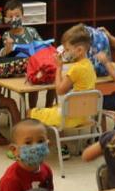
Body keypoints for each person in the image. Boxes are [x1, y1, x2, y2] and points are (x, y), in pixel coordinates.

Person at [29, 24, 97, 158]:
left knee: (30, 112)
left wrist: (58, 68)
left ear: (79, 50)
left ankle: (35, 150)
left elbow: (59, 90)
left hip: (71, 116)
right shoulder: (89, 65)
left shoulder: (75, 69)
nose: (64, 52)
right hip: (85, 114)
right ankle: (63, 147)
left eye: (67, 49)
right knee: (57, 107)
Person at [0, 0, 52, 109]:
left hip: (36, 66)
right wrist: (8, 47)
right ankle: (31, 110)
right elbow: (5, 56)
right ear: (5, 19)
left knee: (52, 79)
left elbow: (42, 47)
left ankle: (49, 108)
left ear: (23, 16)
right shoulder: (6, 35)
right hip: (19, 69)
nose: (14, 19)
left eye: (17, 15)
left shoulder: (31, 31)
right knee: (32, 84)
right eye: (10, 16)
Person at [0, 119, 53, 191]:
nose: (36, 147)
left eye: (40, 141)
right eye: (28, 143)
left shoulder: (46, 170)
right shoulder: (10, 181)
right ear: (14, 150)